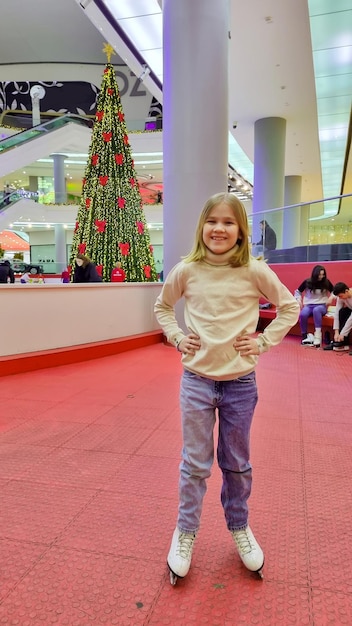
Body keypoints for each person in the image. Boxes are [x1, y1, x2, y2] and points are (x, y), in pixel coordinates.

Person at [154, 192, 299, 584]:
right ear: (203, 226)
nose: (219, 228)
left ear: (241, 231)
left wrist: (264, 342)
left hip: (240, 384)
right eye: (213, 221)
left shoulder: (254, 269)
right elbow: (163, 306)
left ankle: (239, 527)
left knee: (237, 464)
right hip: (197, 383)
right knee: (195, 465)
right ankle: (185, 532)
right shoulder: (187, 269)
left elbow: (289, 306)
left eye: (229, 222)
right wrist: (175, 336)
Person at [294, 265, 334, 347]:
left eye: (323, 275)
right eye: (319, 275)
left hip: (321, 306)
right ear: (315, 274)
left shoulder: (326, 282)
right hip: (309, 305)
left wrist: (331, 297)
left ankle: (317, 336)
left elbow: (334, 291)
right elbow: (298, 292)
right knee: (303, 314)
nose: (321, 277)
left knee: (317, 310)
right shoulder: (307, 282)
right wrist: (298, 300)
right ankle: (304, 336)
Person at [323, 282, 352, 354]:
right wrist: (336, 332)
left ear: (346, 291)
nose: (340, 298)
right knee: (342, 312)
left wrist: (342, 334)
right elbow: (336, 313)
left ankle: (342, 338)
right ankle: (343, 343)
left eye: (341, 296)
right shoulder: (341, 297)